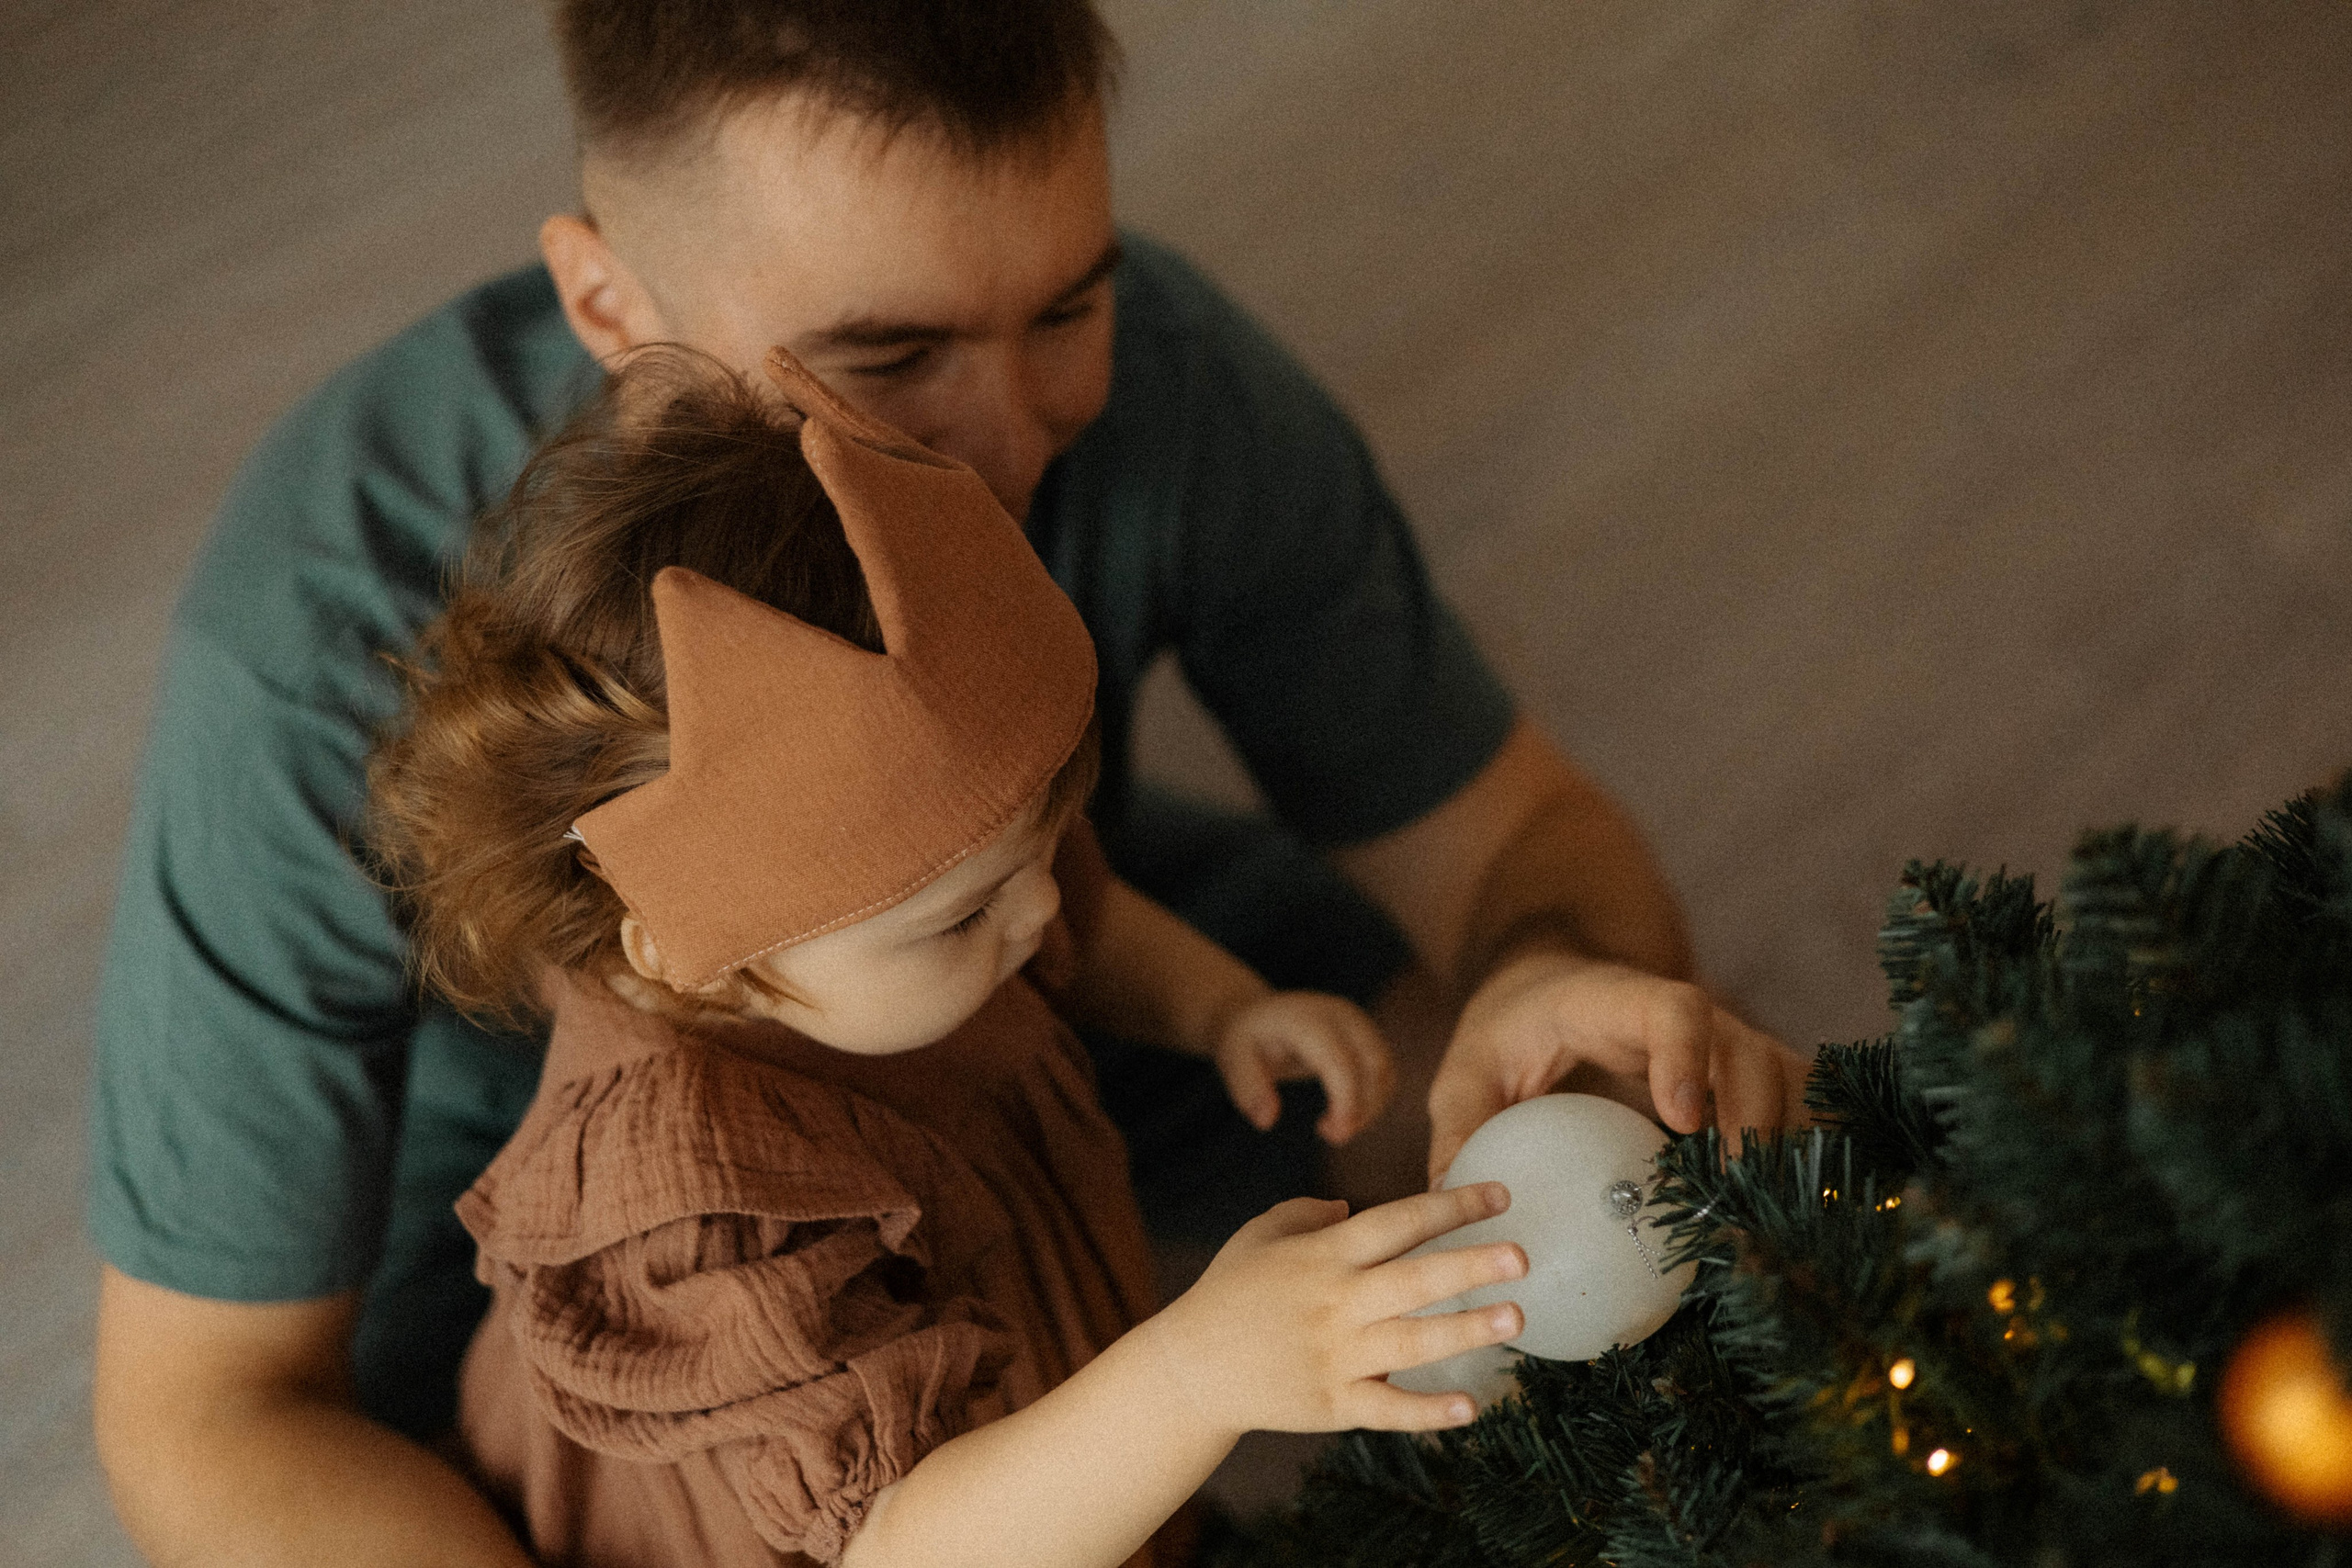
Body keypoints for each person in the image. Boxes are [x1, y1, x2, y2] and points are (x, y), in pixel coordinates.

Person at [89, 4, 1809, 1562]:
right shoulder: (329, 621)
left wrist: (1542, 980)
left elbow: (1516, 839)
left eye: (1071, 304)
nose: (1004, 445)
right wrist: (1178, 1388)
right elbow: (204, 1412)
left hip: (986, 968)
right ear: (613, 305)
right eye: (887, 359)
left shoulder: (1049, 789)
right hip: (612, 1277)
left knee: (1597, 1097)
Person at [371, 344, 1519, 1568]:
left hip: (1033, 1454)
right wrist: (1190, 1378)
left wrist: (1218, 1005)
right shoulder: (701, 1214)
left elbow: (1077, 904)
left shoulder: (907, 901)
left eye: (1045, 837)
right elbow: (907, 1544)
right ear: (686, 964)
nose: (1033, 916)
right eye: (966, 917)